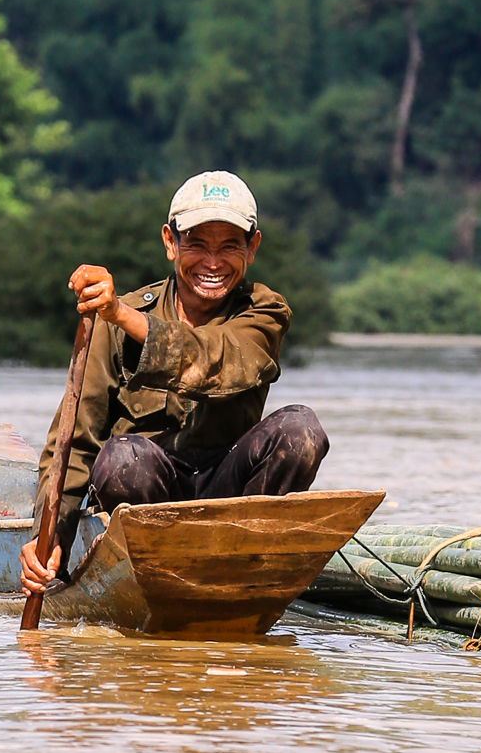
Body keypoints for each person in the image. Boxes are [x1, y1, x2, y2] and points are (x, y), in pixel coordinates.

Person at [19, 171, 330, 596]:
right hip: (148, 495)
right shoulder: (117, 320)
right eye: (198, 244)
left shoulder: (265, 311)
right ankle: (150, 584)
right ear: (170, 242)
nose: (213, 262)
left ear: (252, 247)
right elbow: (73, 442)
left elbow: (216, 358)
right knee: (122, 458)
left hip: (228, 496)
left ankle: (244, 580)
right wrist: (49, 545)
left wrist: (124, 319)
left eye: (229, 247)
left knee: (301, 431)